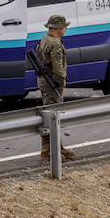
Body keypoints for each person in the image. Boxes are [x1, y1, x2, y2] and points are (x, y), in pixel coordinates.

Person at [34, 15, 74, 161]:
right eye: (64, 26)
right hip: (52, 84)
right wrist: (61, 82)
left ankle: (56, 147)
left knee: (50, 114)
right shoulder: (55, 43)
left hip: (44, 81)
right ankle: (48, 151)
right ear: (58, 28)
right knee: (53, 117)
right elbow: (58, 68)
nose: (66, 28)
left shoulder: (44, 39)